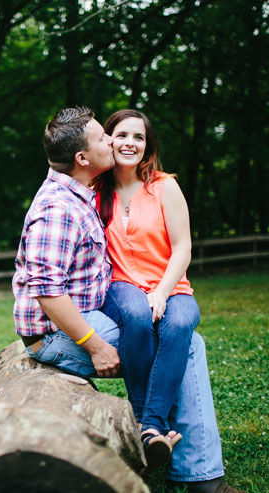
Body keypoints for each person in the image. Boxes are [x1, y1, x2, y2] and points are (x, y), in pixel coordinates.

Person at [13, 106, 241, 493]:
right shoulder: (58, 206)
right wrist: (97, 346)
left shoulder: (82, 189)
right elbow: (48, 291)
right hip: (57, 333)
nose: (114, 143)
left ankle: (165, 444)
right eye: (105, 138)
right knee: (187, 348)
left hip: (84, 313)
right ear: (83, 158)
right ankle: (183, 461)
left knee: (183, 337)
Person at [94, 109, 198, 469]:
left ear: (147, 146)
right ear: (109, 141)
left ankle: (148, 427)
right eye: (122, 135)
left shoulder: (164, 186)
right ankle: (146, 419)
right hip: (121, 286)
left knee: (180, 325)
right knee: (137, 316)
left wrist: (162, 291)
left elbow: (183, 246)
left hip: (172, 284)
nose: (130, 143)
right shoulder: (96, 189)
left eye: (138, 137)